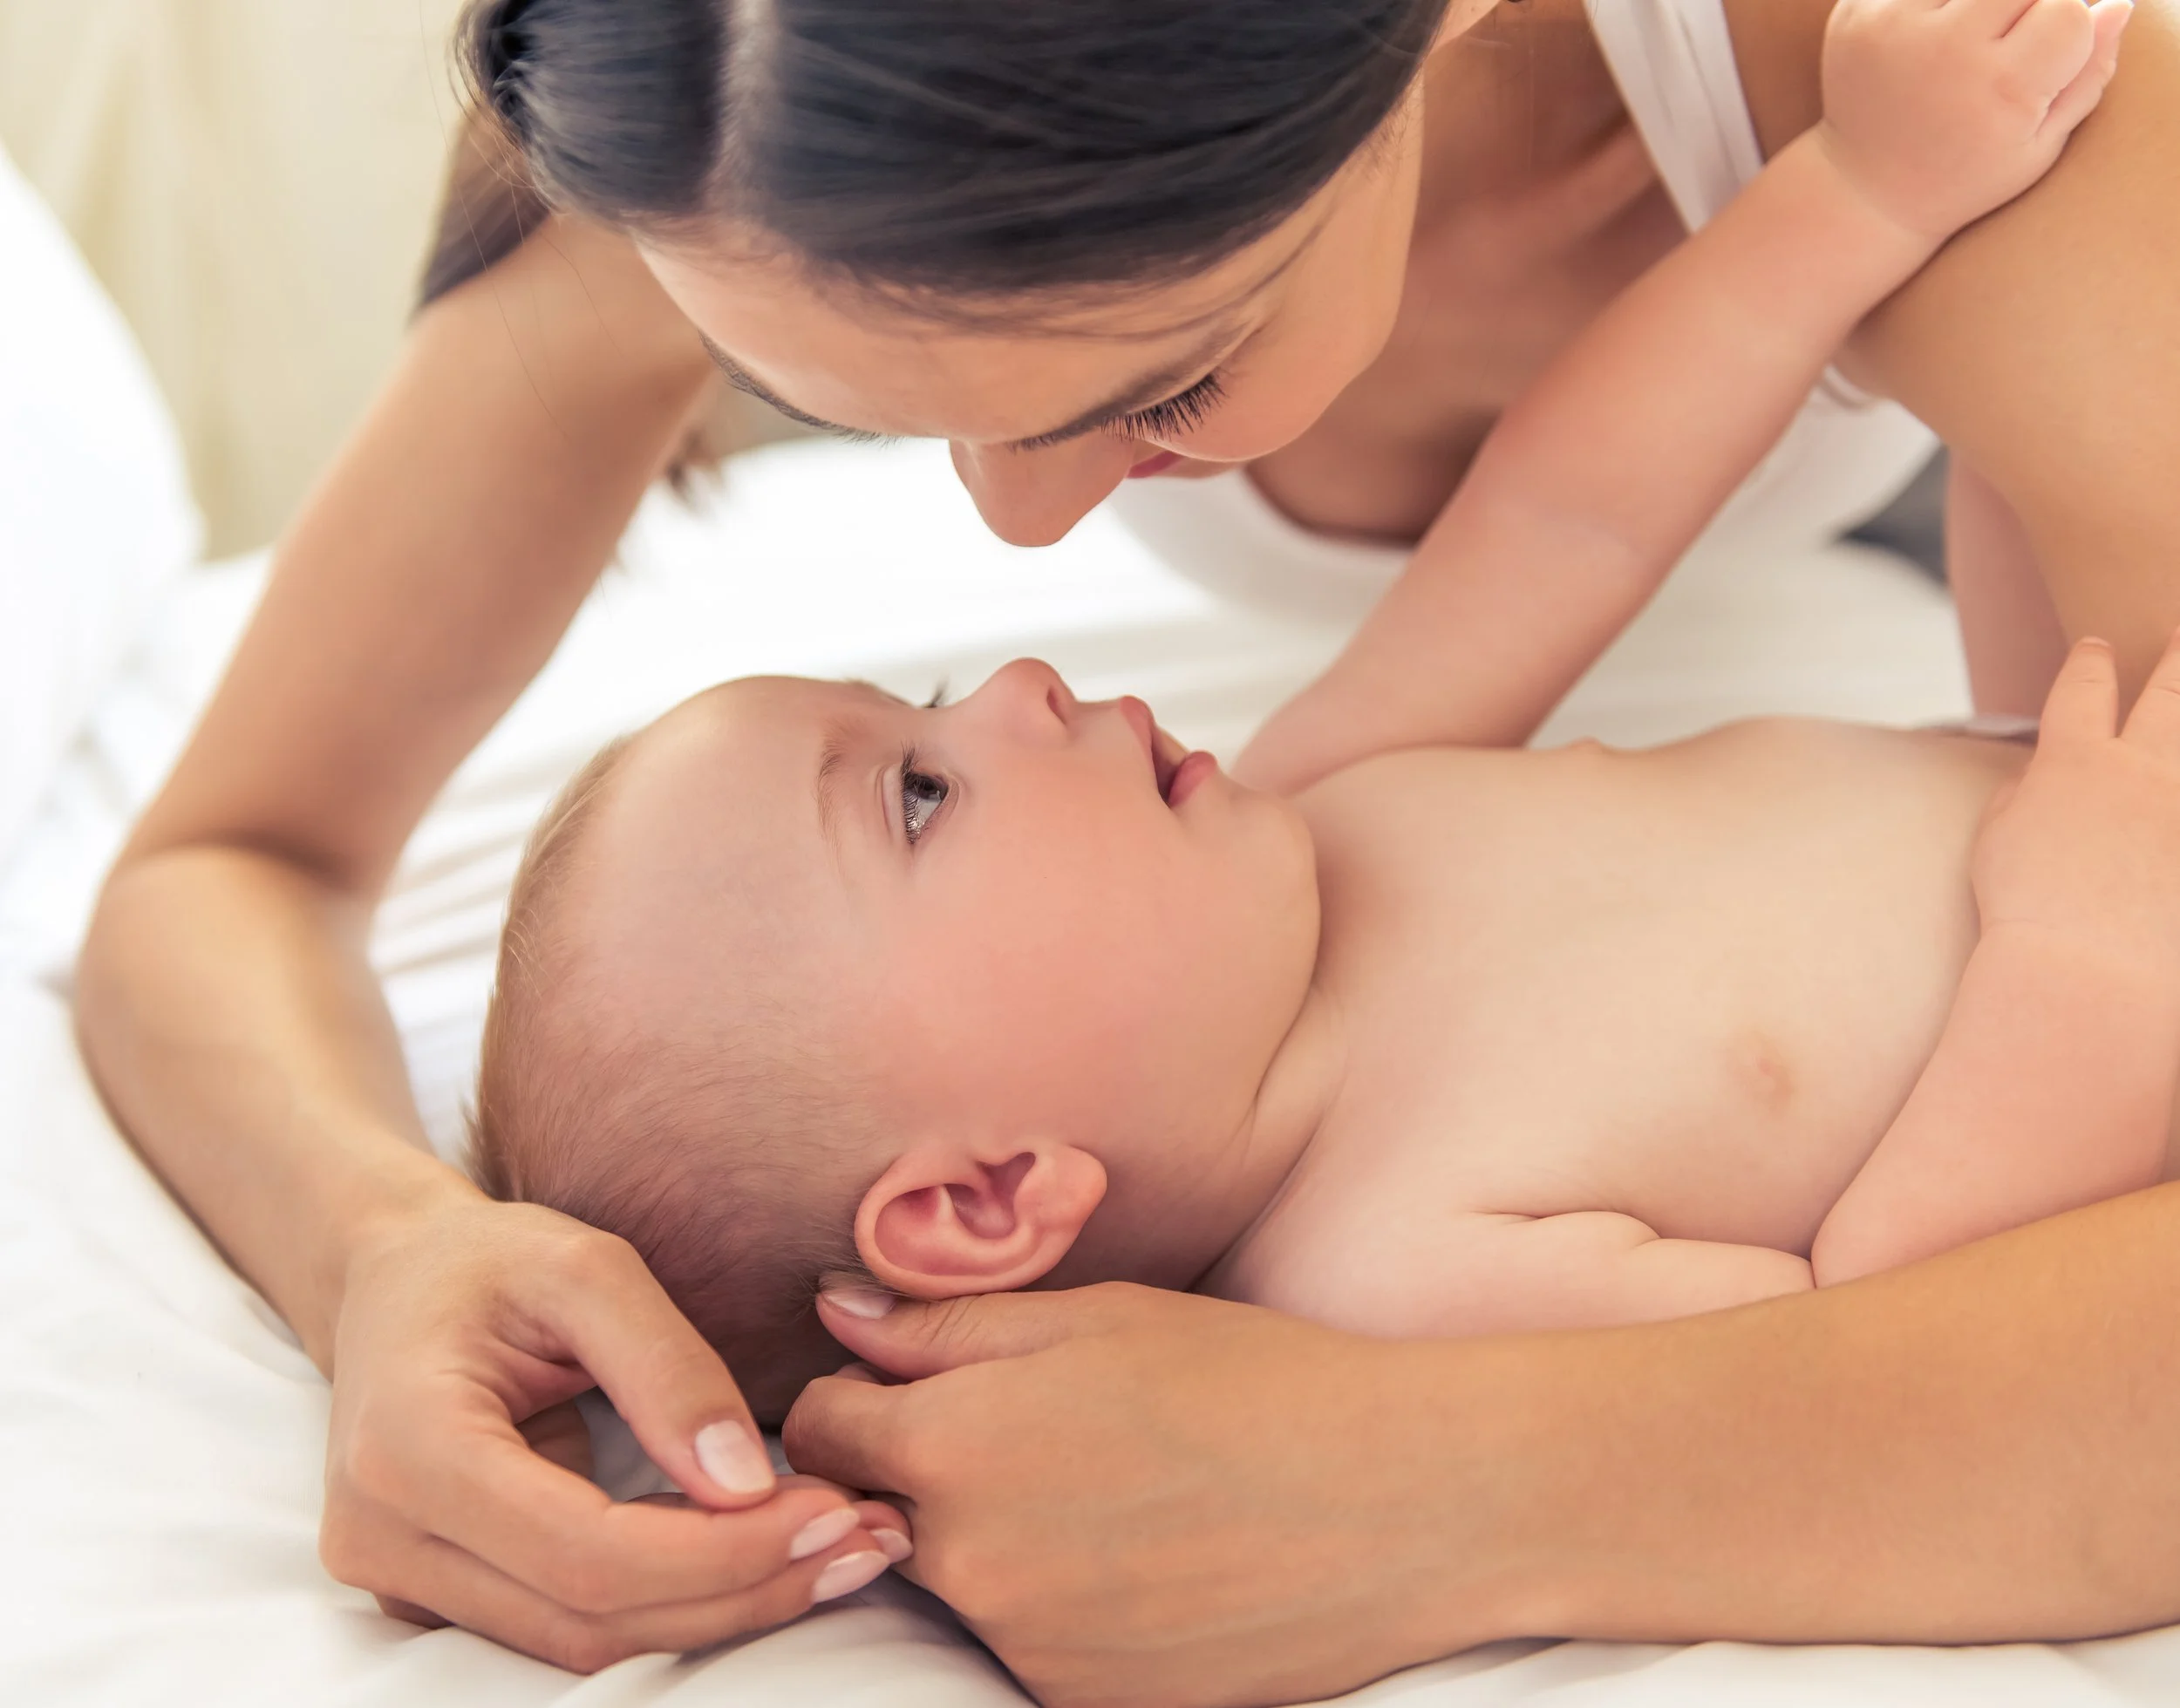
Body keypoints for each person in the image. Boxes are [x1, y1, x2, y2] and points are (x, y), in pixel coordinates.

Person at [69, 0, 2180, 1686]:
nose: (1014, 573)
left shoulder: (1337, 808)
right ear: (986, 1195)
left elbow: (1562, 516)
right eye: (913, 783)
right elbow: (1861, 1315)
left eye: (1169, 367)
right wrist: (379, 1248)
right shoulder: (1392, 1247)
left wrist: (1853, 185)